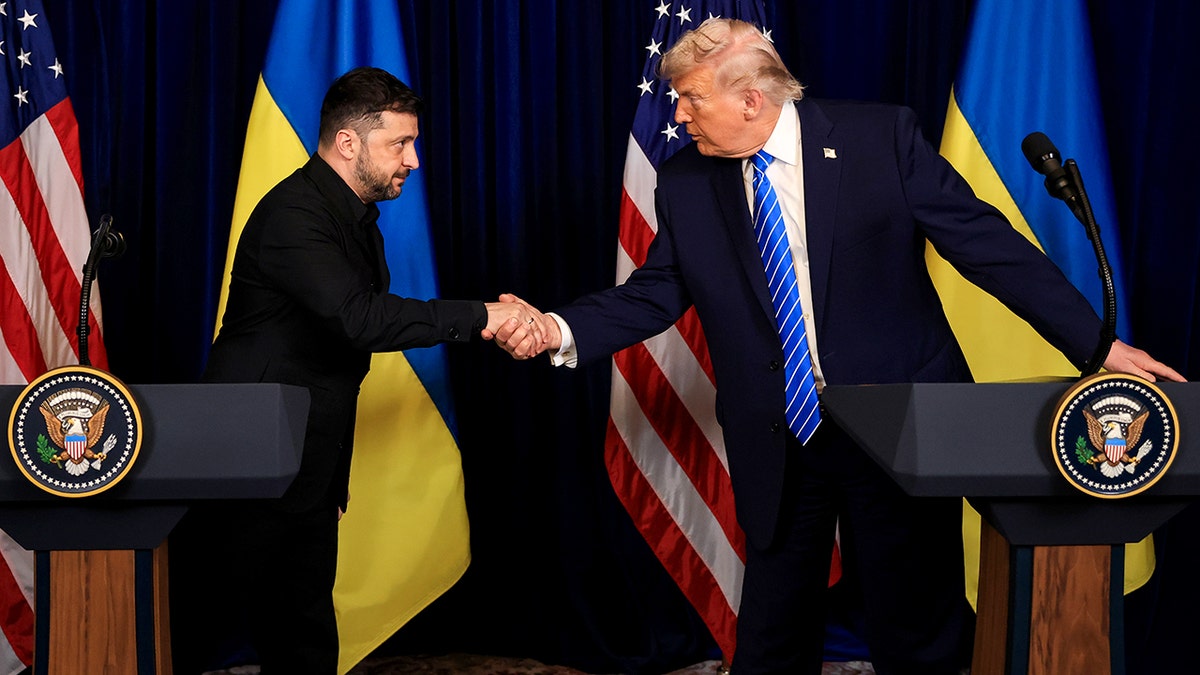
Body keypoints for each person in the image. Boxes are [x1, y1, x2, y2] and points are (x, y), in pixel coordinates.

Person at [492, 18, 1184, 675]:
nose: (678, 115)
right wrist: (557, 328)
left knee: (914, 629)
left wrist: (1097, 347)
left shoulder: (879, 137)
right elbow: (656, 291)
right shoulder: (685, 182)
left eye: (692, 98)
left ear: (752, 100)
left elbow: (989, 249)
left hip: (901, 421)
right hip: (781, 431)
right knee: (771, 632)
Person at [172, 67, 544, 674]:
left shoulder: (351, 216)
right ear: (348, 143)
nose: (414, 160)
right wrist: (485, 315)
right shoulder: (295, 214)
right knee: (202, 622)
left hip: (303, 460)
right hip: (248, 460)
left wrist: (330, 472)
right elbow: (360, 320)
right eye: (400, 143)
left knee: (303, 627)